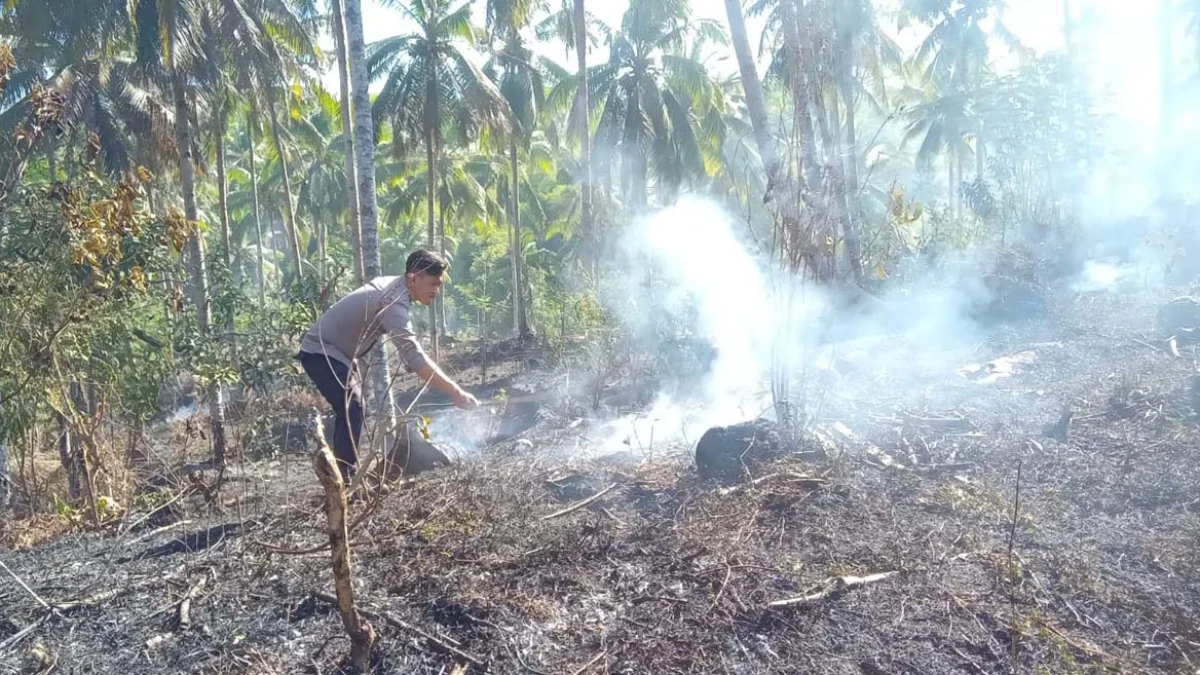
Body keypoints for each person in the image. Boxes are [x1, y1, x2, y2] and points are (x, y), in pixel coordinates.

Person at [296, 249, 479, 481]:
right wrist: (456, 392)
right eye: (433, 283)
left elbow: (409, 354)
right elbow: (415, 357)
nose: (436, 291)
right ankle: (345, 483)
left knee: (355, 407)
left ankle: (346, 478)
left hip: (339, 354)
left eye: (439, 284)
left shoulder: (396, 288)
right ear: (414, 278)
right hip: (321, 351)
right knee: (353, 407)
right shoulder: (393, 302)